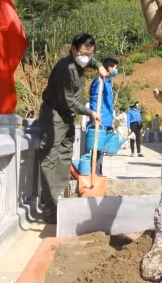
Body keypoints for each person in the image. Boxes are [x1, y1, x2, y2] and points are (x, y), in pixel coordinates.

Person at [39, 33, 109, 223]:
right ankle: (49, 208)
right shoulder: (65, 68)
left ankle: (60, 195)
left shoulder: (82, 61)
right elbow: (68, 100)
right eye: (83, 53)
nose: (86, 57)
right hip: (54, 115)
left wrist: (99, 65)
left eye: (90, 54)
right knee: (50, 158)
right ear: (72, 50)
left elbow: (91, 60)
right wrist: (90, 113)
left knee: (65, 154)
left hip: (67, 117)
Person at [89, 57, 119, 174]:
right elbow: (94, 100)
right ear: (110, 68)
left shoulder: (107, 82)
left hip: (106, 121)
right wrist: (95, 116)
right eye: (115, 68)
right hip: (100, 120)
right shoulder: (99, 81)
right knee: (97, 150)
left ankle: (99, 172)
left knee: (101, 150)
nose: (116, 71)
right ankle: (95, 173)